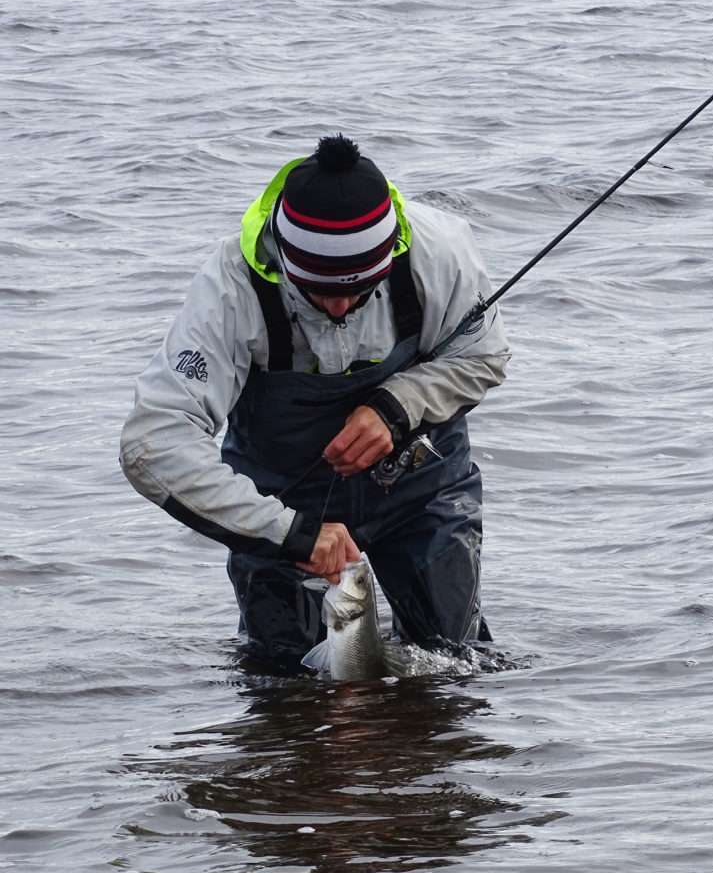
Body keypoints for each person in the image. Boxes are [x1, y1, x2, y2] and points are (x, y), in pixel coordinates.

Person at [120, 134, 510, 671]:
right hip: (281, 505)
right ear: (285, 260)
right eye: (317, 289)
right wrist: (290, 534)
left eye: (359, 288)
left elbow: (483, 355)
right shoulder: (229, 290)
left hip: (421, 492)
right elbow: (153, 445)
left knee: (454, 670)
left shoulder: (438, 251)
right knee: (283, 686)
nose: (339, 304)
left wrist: (398, 406)